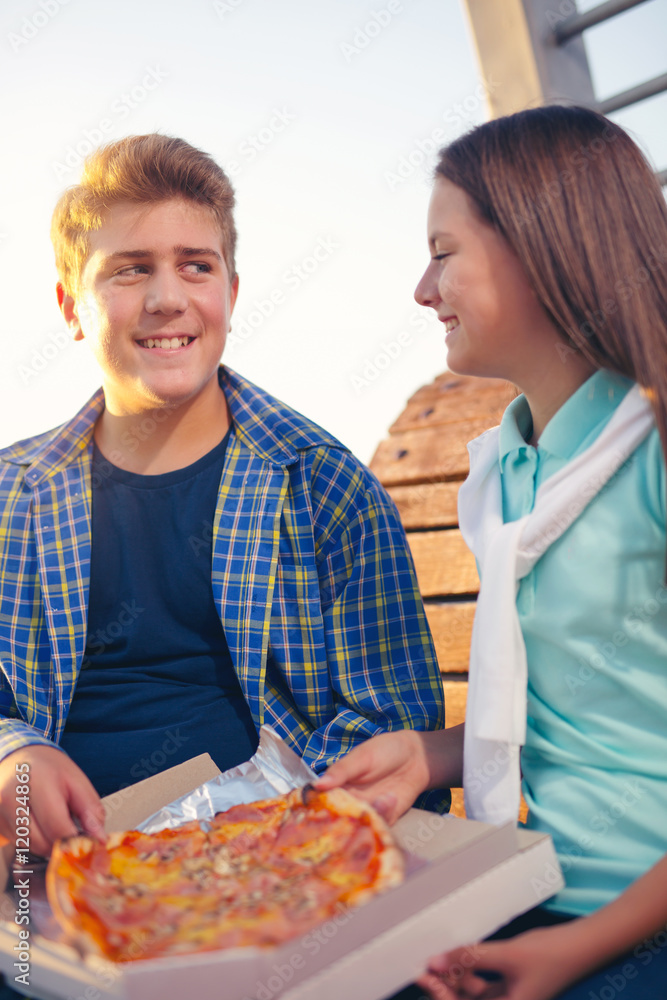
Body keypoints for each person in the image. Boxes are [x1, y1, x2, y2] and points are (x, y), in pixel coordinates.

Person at [0, 134, 449, 865]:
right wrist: (12, 753)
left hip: (261, 853)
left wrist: (275, 827)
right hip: (41, 864)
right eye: (129, 270)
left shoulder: (322, 484)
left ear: (230, 295)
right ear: (71, 307)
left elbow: (393, 724)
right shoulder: (11, 495)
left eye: (195, 267)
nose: (166, 297)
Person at [317, 105, 667, 1000]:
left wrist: (576, 950)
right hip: (531, 886)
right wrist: (429, 756)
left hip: (634, 924)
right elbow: (575, 708)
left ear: (540, 245)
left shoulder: (654, 449)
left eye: (442, 252)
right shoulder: (510, 472)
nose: (421, 290)